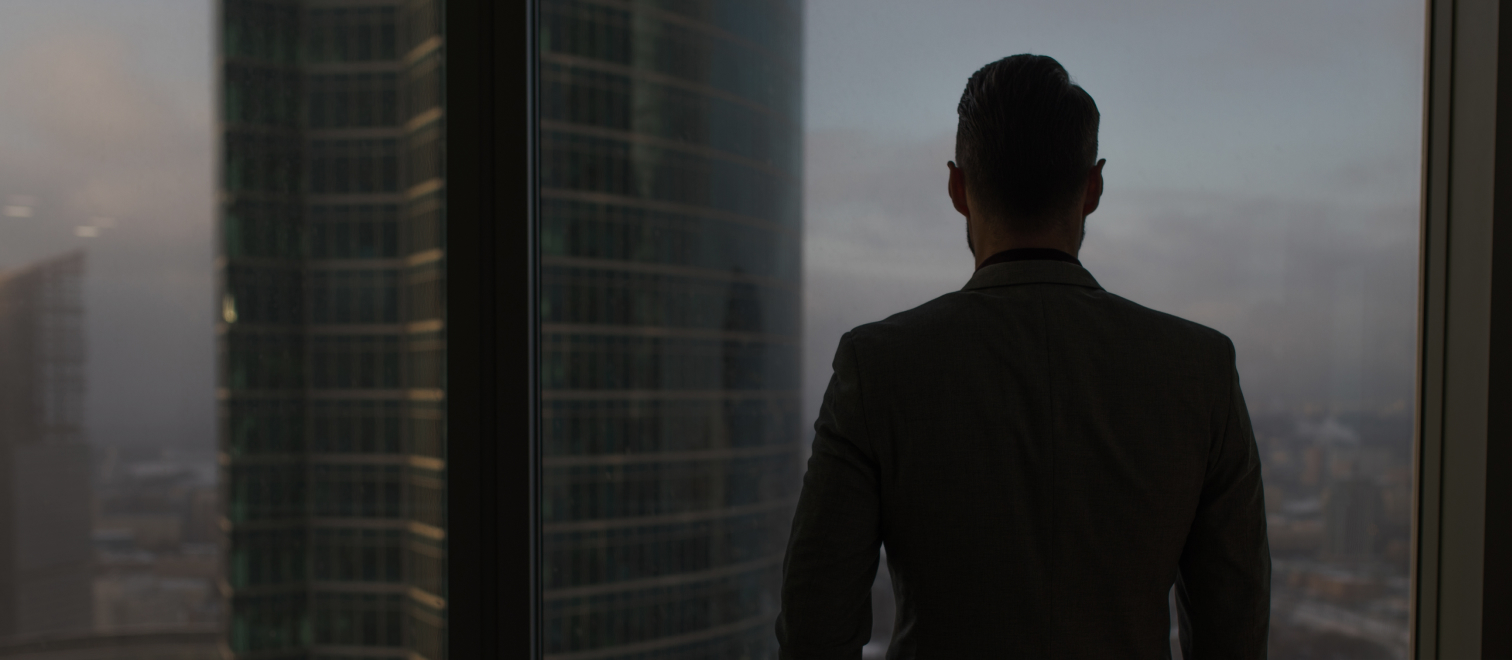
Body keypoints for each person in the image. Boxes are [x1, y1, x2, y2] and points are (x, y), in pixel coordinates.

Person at [776, 54, 1270, 659]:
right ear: (1093, 188)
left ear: (958, 188)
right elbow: (1235, 636)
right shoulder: (1201, 370)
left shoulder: (875, 367)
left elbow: (813, 629)